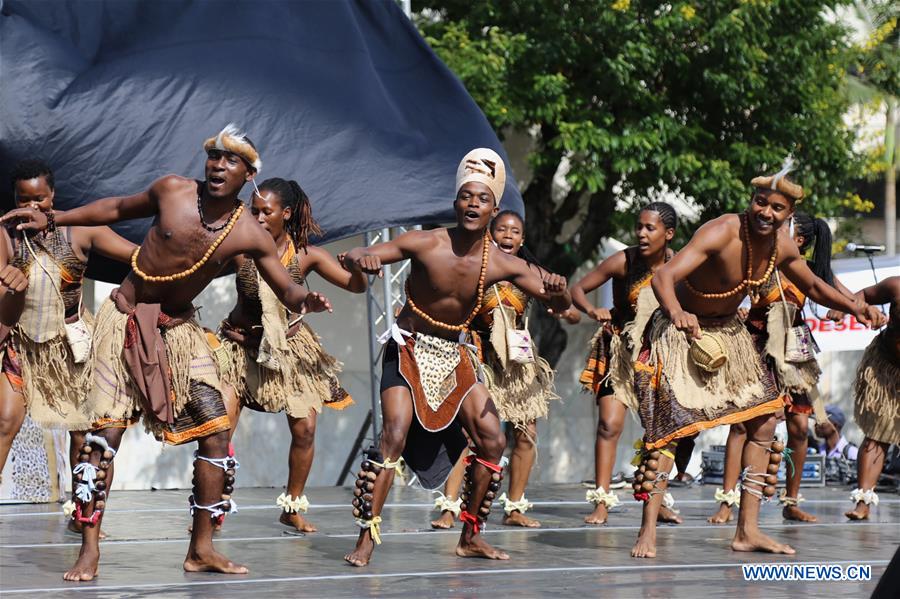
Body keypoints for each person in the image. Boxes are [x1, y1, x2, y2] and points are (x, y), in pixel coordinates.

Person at [1, 124, 331, 581]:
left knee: (216, 431)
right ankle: (89, 550)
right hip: (125, 320)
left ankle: (201, 548)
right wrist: (56, 218)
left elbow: (285, 285)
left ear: (248, 174)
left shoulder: (249, 232)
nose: (218, 165)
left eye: (231, 160)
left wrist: (304, 300)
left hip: (180, 333)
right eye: (213, 156)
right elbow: (115, 208)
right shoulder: (173, 190)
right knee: (102, 440)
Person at [630, 160, 876, 558]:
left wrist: (854, 307)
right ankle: (647, 532)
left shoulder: (782, 245)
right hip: (680, 334)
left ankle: (748, 530)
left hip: (731, 333)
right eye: (762, 203)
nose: (767, 212)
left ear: (788, 215)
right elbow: (663, 278)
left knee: (765, 419)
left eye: (777, 209)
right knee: (669, 430)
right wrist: (676, 312)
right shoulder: (722, 230)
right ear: (752, 201)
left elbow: (813, 285)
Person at [340, 148, 571, 567]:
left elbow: (561, 302)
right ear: (455, 202)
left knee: (493, 440)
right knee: (393, 434)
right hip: (408, 347)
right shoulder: (426, 241)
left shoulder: (501, 262)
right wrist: (364, 258)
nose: (472, 204)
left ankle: (470, 535)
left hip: (454, 354)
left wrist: (559, 288)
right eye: (466, 196)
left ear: (494, 209)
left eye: (482, 199)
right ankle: (366, 537)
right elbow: (359, 258)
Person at [219, 176, 363, 533]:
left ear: (286, 213)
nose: (259, 218)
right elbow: (195, 267)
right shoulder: (240, 248)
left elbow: (355, 285)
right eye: (254, 212)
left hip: (291, 349)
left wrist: (362, 267)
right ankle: (211, 508)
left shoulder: (305, 255)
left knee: (305, 431)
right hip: (241, 347)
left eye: (266, 212)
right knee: (219, 430)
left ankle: (292, 506)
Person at [1, 160, 136, 535]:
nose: (31, 207)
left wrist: (130, 296)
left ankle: (84, 513)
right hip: (22, 346)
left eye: (39, 199)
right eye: (22, 199)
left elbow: (140, 259)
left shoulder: (80, 229)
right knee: (4, 421)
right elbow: (4, 306)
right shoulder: (5, 235)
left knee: (84, 434)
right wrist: (11, 287)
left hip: (72, 349)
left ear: (53, 196)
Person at [707, 212, 856, 524]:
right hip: (758, 341)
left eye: (784, 227)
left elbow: (849, 298)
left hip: (796, 346)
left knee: (799, 428)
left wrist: (842, 311)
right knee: (741, 424)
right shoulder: (763, 263)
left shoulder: (810, 270)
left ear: (798, 240)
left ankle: (791, 501)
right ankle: (728, 501)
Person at [430, 210, 571, 530]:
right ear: (490, 235)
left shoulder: (530, 272)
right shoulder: (477, 265)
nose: (508, 235)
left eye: (515, 231)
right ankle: (450, 507)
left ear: (523, 239)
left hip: (519, 350)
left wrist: (560, 291)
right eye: (502, 230)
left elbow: (562, 304)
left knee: (526, 432)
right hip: (478, 349)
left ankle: (515, 506)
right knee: (467, 434)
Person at [570, 202, 680, 525]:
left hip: (659, 353)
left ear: (668, 234)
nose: (642, 234)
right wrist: (592, 311)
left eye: (651, 228)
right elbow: (578, 288)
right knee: (610, 424)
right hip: (619, 351)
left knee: (660, 433)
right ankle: (602, 501)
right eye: (639, 227)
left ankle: (655, 501)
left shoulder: (679, 263)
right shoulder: (624, 261)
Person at [846, 276, 898, 520]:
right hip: (886, 369)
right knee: (877, 435)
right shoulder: (896, 286)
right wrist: (847, 307)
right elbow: (862, 295)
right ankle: (863, 502)